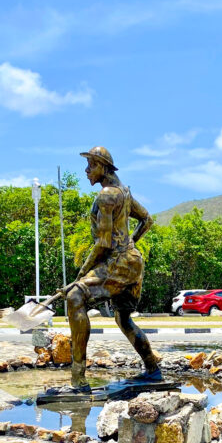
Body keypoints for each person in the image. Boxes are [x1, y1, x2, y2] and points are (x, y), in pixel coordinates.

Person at [65, 146, 160, 390]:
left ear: (103, 167)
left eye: (91, 165)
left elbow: (103, 244)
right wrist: (130, 245)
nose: (86, 171)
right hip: (133, 262)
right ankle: (152, 370)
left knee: (75, 295)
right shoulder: (124, 192)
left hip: (120, 262)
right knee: (123, 317)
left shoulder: (107, 195)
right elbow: (146, 219)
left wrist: (80, 274)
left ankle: (78, 380)